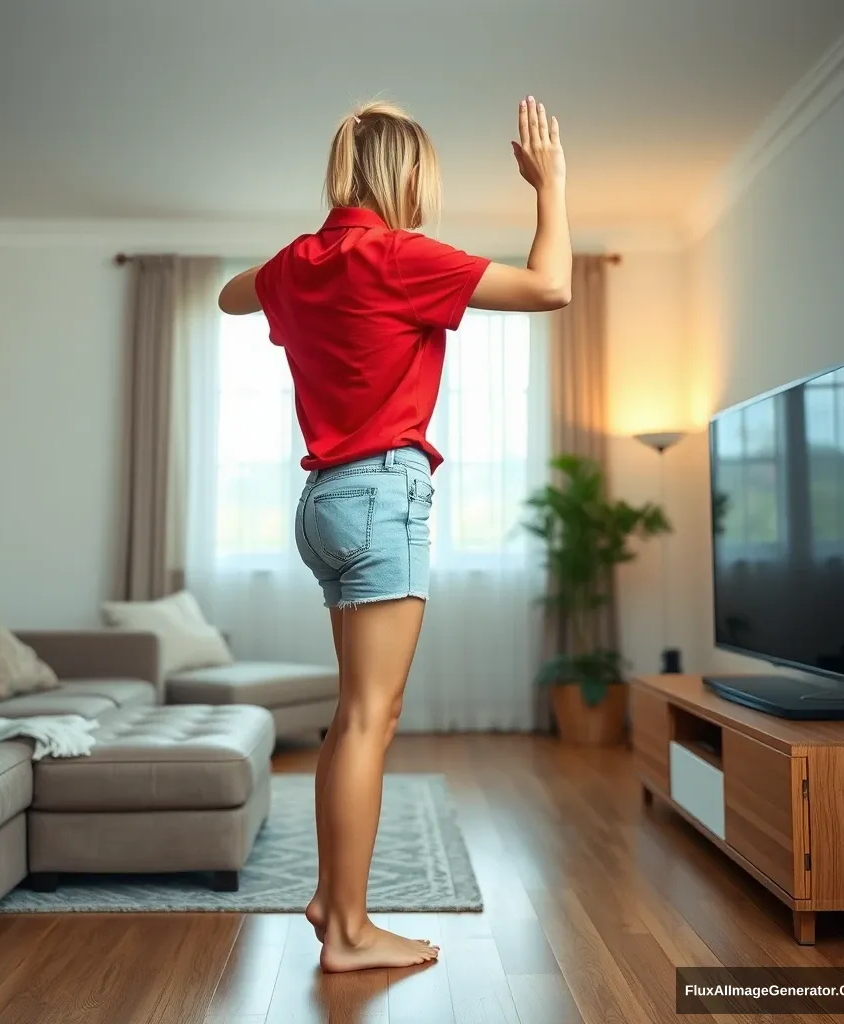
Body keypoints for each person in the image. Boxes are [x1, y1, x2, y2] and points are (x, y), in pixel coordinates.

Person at [218, 96, 571, 973]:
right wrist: (551, 186)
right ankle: (348, 931)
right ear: (405, 175)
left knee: (353, 714)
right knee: (373, 717)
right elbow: (552, 285)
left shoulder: (302, 262)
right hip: (381, 495)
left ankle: (332, 897)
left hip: (325, 503)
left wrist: (290, 268)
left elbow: (231, 296)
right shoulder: (399, 255)